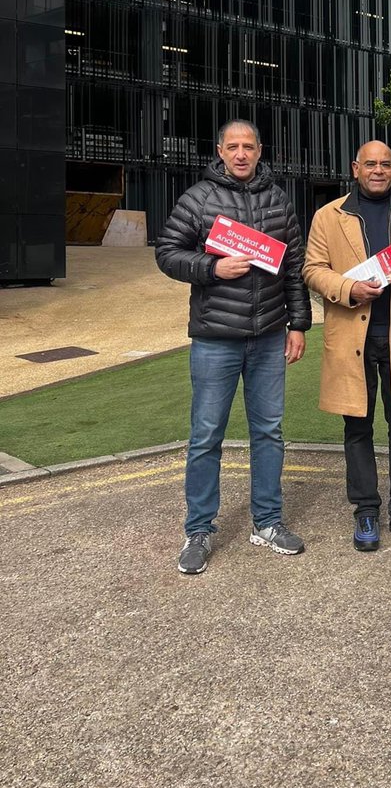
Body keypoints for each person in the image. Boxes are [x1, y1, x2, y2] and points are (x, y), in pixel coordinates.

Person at [156, 120, 311, 575]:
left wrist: (298, 324)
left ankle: (267, 521)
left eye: (249, 147)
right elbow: (167, 252)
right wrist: (210, 268)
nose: (241, 154)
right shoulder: (197, 198)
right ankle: (199, 530)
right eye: (233, 147)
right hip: (214, 339)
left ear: (260, 151)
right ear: (220, 151)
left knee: (269, 433)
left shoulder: (279, 200)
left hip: (268, 337)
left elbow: (294, 268)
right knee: (206, 437)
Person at [302, 141, 391, 552]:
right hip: (352, 337)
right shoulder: (329, 216)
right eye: (370, 164)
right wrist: (348, 287)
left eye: (385, 164)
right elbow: (312, 269)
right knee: (356, 427)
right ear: (355, 167)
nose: (377, 170)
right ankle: (365, 509)